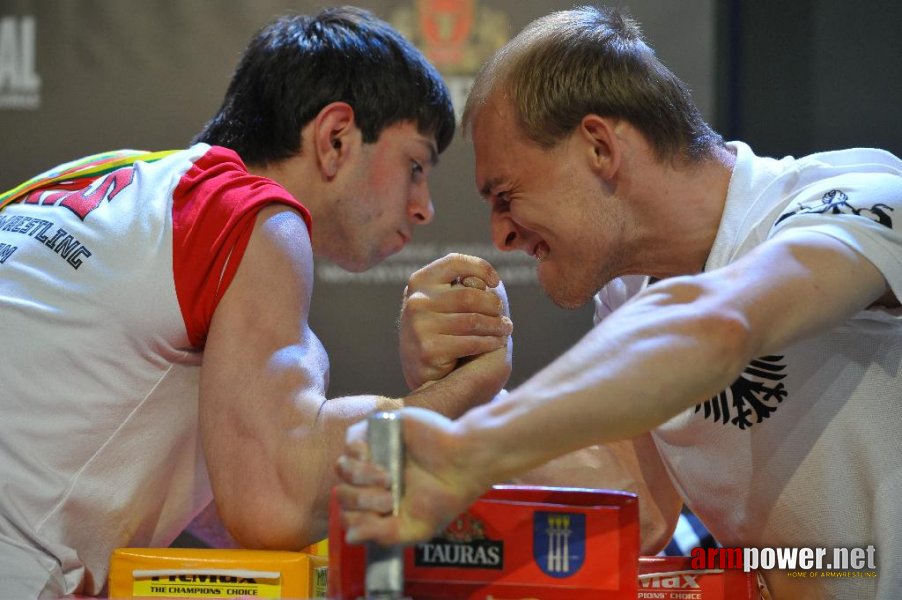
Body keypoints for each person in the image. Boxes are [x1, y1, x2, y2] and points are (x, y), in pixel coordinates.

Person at [335, 5, 902, 598]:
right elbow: (637, 502)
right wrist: (457, 399)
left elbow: (721, 322)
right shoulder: (629, 288)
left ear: (600, 147)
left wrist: (471, 449)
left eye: (505, 195)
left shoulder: (853, 198)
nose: (500, 235)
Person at [0, 7, 513, 597]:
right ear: (336, 137)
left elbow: (239, 503)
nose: (424, 206)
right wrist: (462, 391)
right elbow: (272, 498)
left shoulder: (83, 182)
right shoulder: (250, 214)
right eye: (415, 165)